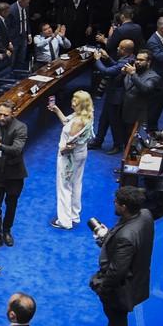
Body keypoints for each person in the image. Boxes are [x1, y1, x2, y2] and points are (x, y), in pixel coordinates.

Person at [89, 186, 154, 326]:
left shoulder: (126, 237)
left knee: (116, 313)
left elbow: (117, 271)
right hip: (139, 275)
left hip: (122, 285)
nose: (114, 204)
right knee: (113, 314)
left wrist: (104, 288)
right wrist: (109, 238)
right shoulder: (145, 214)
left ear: (124, 207)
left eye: (117, 202)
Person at [0, 99, 27, 247]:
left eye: (5, 115)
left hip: (14, 174)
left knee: (11, 204)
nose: (2, 118)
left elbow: (16, 150)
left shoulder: (21, 128)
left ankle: (7, 230)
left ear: (12, 114)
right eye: (0, 114)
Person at [49, 91, 95, 230]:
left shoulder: (79, 121)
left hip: (69, 157)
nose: (72, 101)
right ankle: (74, 215)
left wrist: (63, 150)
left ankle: (64, 221)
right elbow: (65, 122)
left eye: (75, 99)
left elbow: (71, 142)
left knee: (64, 186)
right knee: (76, 184)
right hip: (81, 155)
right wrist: (56, 109)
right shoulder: (84, 116)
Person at [89, 39, 135, 155]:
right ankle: (98, 141)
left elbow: (107, 71)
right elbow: (116, 66)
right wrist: (108, 58)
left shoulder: (127, 61)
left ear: (124, 50)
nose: (117, 49)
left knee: (114, 121)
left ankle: (118, 145)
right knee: (104, 119)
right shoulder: (129, 58)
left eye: (119, 47)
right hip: (112, 94)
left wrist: (98, 60)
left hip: (117, 96)